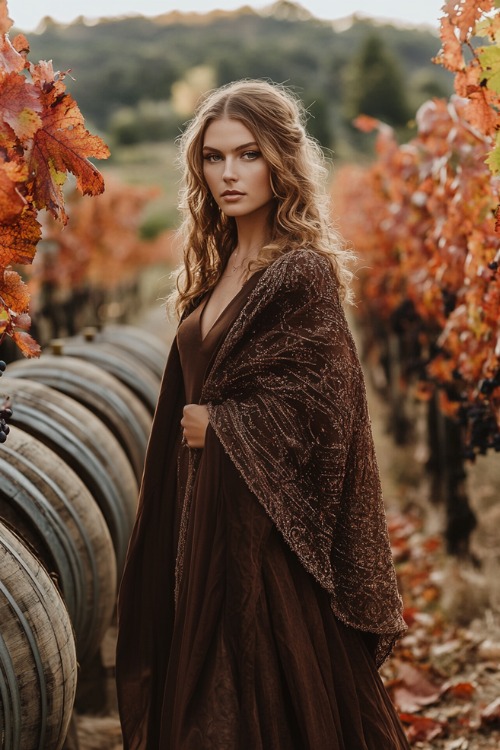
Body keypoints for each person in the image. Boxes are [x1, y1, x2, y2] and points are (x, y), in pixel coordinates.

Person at [116, 79, 410, 750]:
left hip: (267, 547)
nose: (230, 173)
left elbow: (327, 416)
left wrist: (223, 426)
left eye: (248, 155)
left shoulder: (299, 273)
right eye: (215, 158)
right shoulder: (217, 270)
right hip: (207, 520)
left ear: (281, 161)